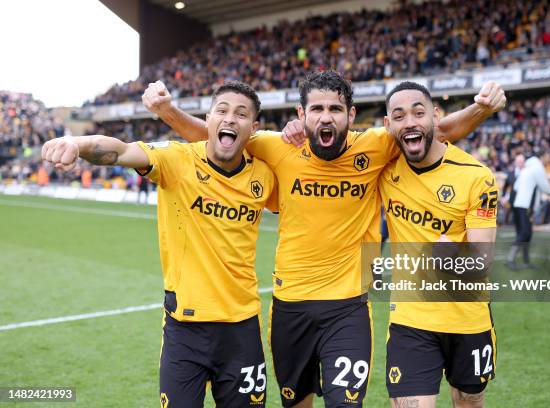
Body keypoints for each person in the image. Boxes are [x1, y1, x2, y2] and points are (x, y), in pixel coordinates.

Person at [142, 72, 506, 407]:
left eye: (335, 109)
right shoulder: (275, 146)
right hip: (290, 308)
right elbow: (221, 138)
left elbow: (435, 132)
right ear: (302, 114)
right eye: (317, 109)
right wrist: (168, 111)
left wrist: (481, 108)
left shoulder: (378, 146)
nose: (326, 117)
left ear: (351, 115)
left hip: (347, 307)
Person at [41, 82, 276, 408]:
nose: (230, 119)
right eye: (222, 111)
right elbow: (120, 151)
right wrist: (76, 143)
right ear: (207, 120)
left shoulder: (265, 176)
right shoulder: (175, 159)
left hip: (242, 330)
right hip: (185, 330)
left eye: (241, 114)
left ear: (254, 128)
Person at [379, 81, 498, 408]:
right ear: (388, 126)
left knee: (469, 401)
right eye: (399, 116)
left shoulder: (477, 177)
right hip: (411, 319)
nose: (410, 122)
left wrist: (450, 253)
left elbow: (480, 263)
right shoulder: (383, 168)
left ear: (436, 116)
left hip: (468, 318)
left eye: (419, 113)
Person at [506, 151, 550, 270]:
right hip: (526, 205)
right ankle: (510, 259)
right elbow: (545, 187)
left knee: (527, 233)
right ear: (543, 157)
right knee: (525, 233)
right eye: (549, 156)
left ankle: (526, 261)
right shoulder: (537, 168)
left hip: (520, 204)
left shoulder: (528, 168)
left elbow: (516, 186)